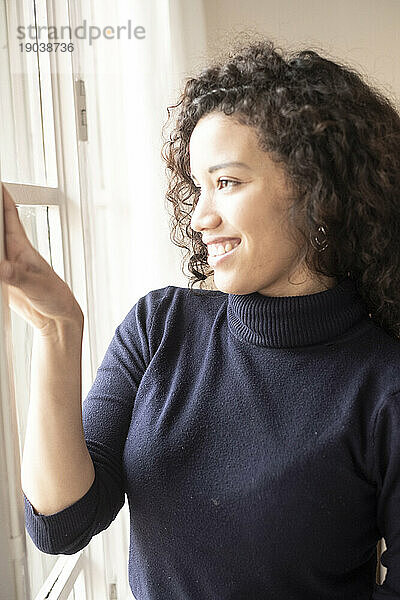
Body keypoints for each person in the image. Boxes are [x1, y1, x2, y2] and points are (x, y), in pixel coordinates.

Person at [1, 36, 400, 600]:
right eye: (197, 186)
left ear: (319, 191)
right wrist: (56, 329)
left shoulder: (383, 382)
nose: (200, 217)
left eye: (227, 182)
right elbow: (63, 523)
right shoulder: (160, 326)